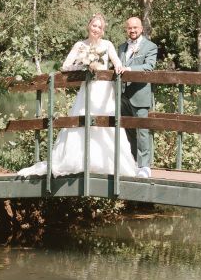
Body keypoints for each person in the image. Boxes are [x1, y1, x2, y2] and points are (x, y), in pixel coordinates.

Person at [17, 13, 138, 178]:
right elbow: (65, 66)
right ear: (89, 26)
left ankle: (106, 163)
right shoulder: (80, 45)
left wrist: (119, 67)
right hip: (87, 89)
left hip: (104, 92)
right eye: (94, 25)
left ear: (103, 31)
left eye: (99, 27)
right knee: (82, 122)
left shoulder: (108, 44)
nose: (96, 29)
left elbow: (116, 62)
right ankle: (80, 161)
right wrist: (82, 66)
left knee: (105, 125)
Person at [118, 17, 158, 178]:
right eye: (129, 28)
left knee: (142, 131)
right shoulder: (121, 47)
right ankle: (132, 162)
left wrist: (128, 69)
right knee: (128, 130)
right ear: (126, 29)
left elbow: (149, 66)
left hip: (140, 94)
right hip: (122, 95)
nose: (132, 30)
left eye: (135, 28)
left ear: (141, 29)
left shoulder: (150, 46)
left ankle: (144, 166)